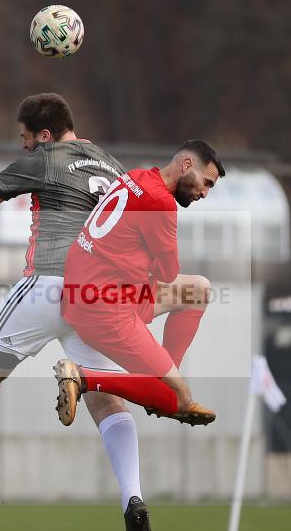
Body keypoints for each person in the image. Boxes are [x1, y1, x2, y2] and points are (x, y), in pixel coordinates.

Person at [0, 93, 152, 531]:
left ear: (44, 134)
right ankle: (133, 496)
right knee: (104, 399)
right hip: (100, 294)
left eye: (25, 137)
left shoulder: (46, 158)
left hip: (50, 282)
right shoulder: (110, 164)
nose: (24, 146)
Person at [53, 140, 224, 428]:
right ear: (186, 165)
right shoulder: (161, 203)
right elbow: (168, 273)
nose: (205, 193)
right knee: (176, 398)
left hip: (86, 293)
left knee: (199, 289)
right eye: (206, 183)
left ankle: (162, 375)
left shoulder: (136, 176)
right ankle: (82, 378)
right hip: (105, 310)